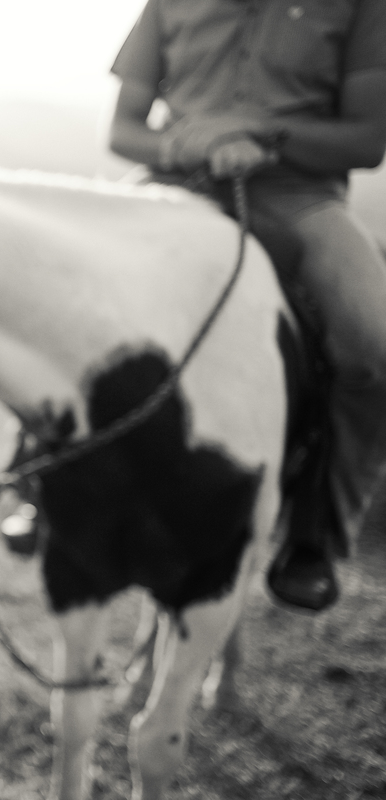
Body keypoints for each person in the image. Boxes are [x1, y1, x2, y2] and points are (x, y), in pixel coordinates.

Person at [109, 0, 386, 610]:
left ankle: (315, 536)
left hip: (301, 200)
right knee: (71, 287)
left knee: (371, 347)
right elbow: (123, 129)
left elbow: (368, 140)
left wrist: (262, 135)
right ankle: (37, 472)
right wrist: (184, 149)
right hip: (173, 187)